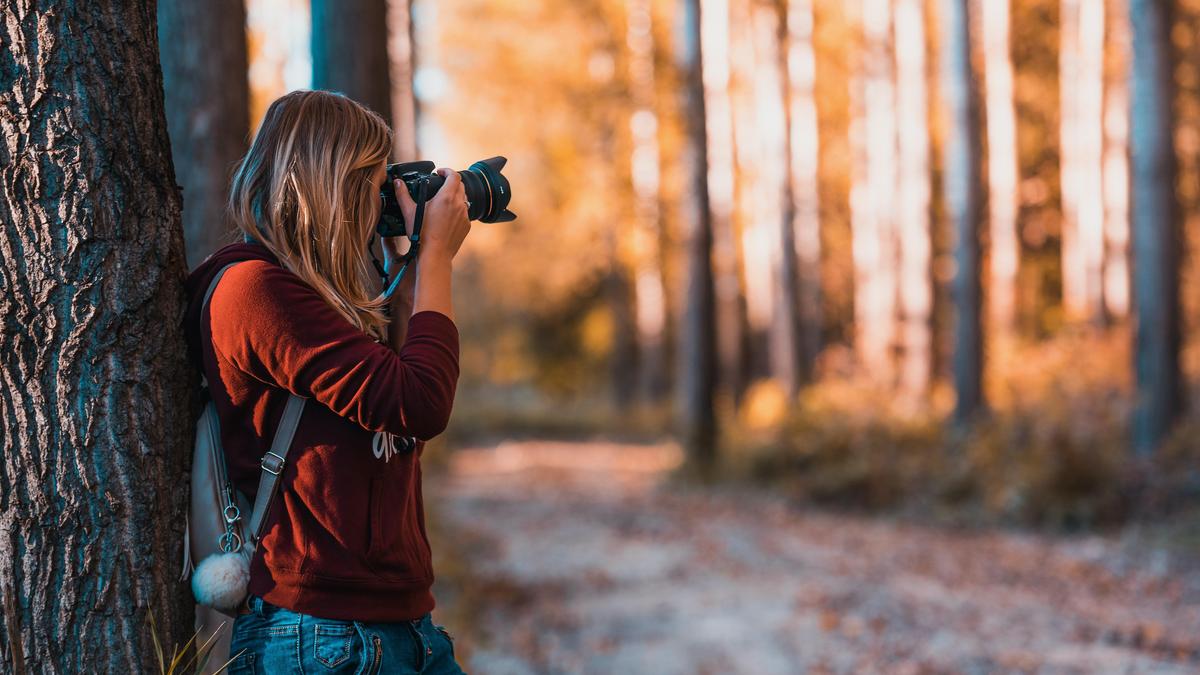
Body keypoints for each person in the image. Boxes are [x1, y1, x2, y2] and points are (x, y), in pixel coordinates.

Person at [183, 89, 469, 674]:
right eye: (372, 178)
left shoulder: (325, 299)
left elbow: (402, 379)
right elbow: (419, 402)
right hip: (321, 636)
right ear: (331, 183)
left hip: (400, 627)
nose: (380, 197)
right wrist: (435, 256)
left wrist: (409, 260)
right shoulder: (254, 291)